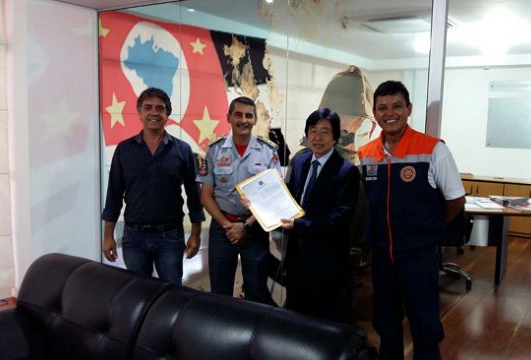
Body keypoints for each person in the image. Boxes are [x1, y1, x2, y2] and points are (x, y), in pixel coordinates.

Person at [358, 81, 466, 360]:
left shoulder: (432, 149)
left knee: (424, 324)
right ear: (375, 112)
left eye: (396, 106)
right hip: (383, 255)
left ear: (408, 109)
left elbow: (455, 200)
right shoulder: (366, 154)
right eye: (382, 107)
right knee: (386, 322)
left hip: (418, 255)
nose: (389, 112)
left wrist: (430, 230)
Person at [101, 87, 205, 285]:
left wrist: (196, 234)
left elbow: (194, 196)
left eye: (160, 108)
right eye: (148, 107)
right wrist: (108, 236)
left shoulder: (182, 151)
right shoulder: (124, 150)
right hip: (134, 237)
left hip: (171, 238)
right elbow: (113, 195)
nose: (154, 113)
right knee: (138, 293)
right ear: (139, 113)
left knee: (171, 294)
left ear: (167, 115)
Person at [198, 96, 279, 305]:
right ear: (229, 117)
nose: (243, 120)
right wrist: (227, 225)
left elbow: (274, 196)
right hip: (222, 228)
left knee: (256, 290)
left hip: (255, 228)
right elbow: (205, 195)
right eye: (238, 114)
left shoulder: (268, 151)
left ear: (254, 120)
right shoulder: (215, 150)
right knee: (220, 289)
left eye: (249, 116)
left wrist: (246, 225)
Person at [281, 108, 359, 322]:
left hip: (327, 260)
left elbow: (340, 217)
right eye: (313, 130)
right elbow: (286, 197)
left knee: (324, 319)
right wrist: (258, 204)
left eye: (325, 131)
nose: (317, 137)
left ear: (335, 138)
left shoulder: (346, 171)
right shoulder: (299, 162)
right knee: (295, 313)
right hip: (296, 255)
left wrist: (299, 225)